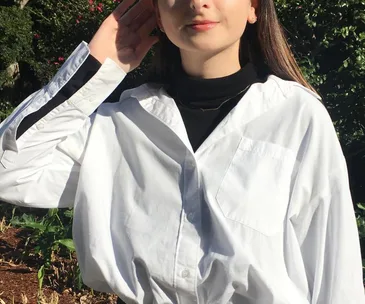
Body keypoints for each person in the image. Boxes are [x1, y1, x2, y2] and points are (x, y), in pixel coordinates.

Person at [0, 0, 364, 303]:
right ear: (157, 13)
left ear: (254, 7)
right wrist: (96, 68)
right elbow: (10, 171)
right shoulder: (117, 126)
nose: (196, 3)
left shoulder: (296, 118)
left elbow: (335, 268)